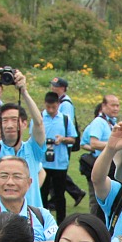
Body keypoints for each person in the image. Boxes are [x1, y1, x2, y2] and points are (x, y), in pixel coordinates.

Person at [0, 67, 47, 208]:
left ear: (24, 124)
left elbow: (39, 123)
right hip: (0, 221)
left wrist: (24, 91)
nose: (9, 125)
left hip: (31, 220)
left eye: (14, 119)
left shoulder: (33, 149)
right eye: (4, 121)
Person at [40, 90, 83, 222]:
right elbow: (33, 136)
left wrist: (62, 139)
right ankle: (42, 220)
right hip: (44, 162)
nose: (51, 110)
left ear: (58, 104)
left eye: (53, 107)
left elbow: (73, 139)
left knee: (59, 194)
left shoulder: (65, 119)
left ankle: (61, 222)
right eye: (48, 107)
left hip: (60, 163)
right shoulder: (40, 117)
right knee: (42, 194)